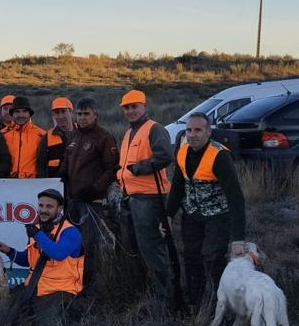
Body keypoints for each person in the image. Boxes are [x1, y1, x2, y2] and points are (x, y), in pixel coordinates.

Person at [166, 111, 246, 314]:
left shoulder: (220, 156)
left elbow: (236, 198)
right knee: (191, 258)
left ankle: (224, 306)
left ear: (208, 132)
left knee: (213, 258)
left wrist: (238, 237)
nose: (192, 135)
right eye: (188, 130)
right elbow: (177, 186)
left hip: (217, 217)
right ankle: (197, 304)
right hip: (192, 215)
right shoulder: (182, 151)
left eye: (198, 130)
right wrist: (168, 214)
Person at [116, 89, 175, 309]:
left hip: (149, 199)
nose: (130, 111)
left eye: (134, 107)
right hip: (131, 198)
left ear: (144, 106)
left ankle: (165, 299)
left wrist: (139, 168)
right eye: (127, 108)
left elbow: (165, 156)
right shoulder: (129, 133)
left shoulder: (154, 128)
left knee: (153, 249)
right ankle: (149, 291)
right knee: (138, 247)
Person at [0, 188, 84, 326]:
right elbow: (29, 261)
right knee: (5, 320)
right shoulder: (37, 229)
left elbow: (58, 254)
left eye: (49, 206)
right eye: (41, 205)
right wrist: (9, 251)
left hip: (59, 289)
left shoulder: (70, 231)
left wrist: (37, 235)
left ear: (60, 209)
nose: (43, 210)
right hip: (34, 285)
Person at [60, 97, 119, 284]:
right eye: (79, 114)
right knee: (72, 242)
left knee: (89, 243)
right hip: (73, 199)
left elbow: (112, 169)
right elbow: (67, 160)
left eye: (86, 114)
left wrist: (95, 188)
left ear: (96, 115)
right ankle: (72, 279)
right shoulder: (74, 136)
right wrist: (62, 173)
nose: (82, 117)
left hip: (92, 201)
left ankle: (88, 284)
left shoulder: (104, 137)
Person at [0, 96, 46, 178]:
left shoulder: (41, 135)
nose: (21, 115)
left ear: (29, 114)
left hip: (32, 182)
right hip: (7, 182)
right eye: (17, 111)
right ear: (12, 114)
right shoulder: (2, 134)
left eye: (24, 111)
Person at [37, 97, 76, 178]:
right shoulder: (47, 138)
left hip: (79, 182)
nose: (60, 116)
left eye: (63, 111)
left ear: (71, 112)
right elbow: (41, 165)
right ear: (53, 115)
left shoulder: (83, 133)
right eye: (57, 113)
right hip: (56, 184)